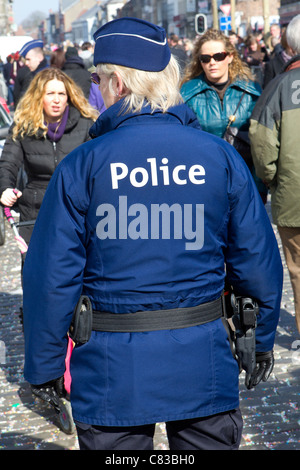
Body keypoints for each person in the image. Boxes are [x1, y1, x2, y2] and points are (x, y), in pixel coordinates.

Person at [22, 17, 282, 451]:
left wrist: (45, 367)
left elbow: (51, 277)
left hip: (112, 366)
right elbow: (257, 259)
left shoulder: (83, 166)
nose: (98, 89)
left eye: (101, 79)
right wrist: (261, 340)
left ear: (119, 84)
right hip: (202, 359)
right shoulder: (217, 157)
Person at [0, 67, 98, 253]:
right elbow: (7, 164)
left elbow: (97, 167)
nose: (56, 99)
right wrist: (4, 188)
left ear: (68, 96)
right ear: (39, 96)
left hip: (75, 208)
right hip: (35, 211)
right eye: (50, 93)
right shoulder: (23, 126)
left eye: (61, 93)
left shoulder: (86, 124)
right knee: (35, 272)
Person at [249, 14, 300, 334]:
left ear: (287, 44)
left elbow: (262, 142)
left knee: (297, 269)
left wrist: (271, 178)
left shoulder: (278, 86)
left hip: (293, 194)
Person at [180, 28, 268, 203]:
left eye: (218, 56)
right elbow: (182, 146)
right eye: (205, 58)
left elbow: (261, 144)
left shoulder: (252, 92)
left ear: (230, 57)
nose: (212, 62)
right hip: (205, 183)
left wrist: (259, 188)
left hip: (245, 182)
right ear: (200, 62)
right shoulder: (186, 94)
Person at [14, 39, 48, 105]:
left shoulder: (47, 76)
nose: (26, 63)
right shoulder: (34, 74)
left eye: (28, 59)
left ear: (40, 57)